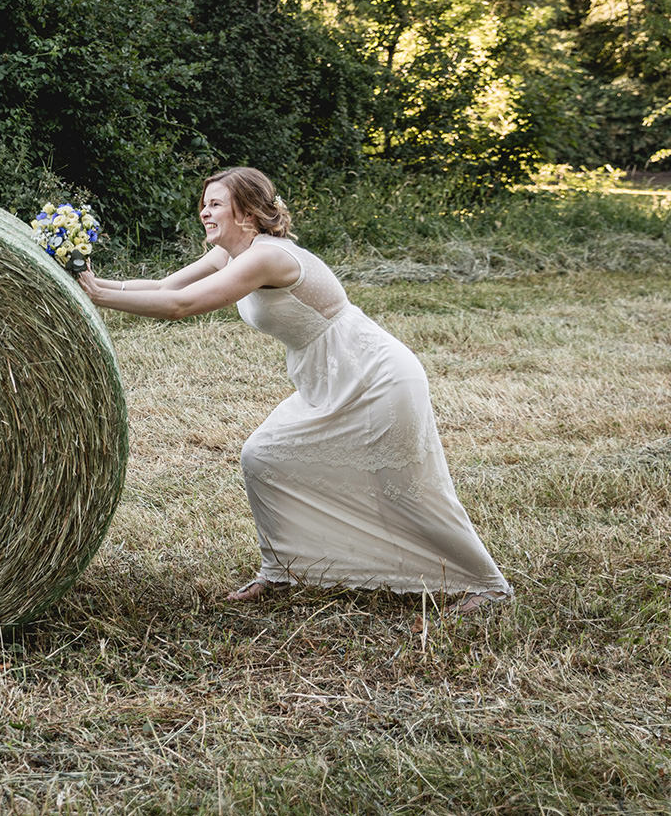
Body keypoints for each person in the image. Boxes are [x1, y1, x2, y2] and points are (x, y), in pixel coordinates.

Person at [80, 167, 510, 613]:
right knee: (263, 457)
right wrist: (90, 283)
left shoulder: (268, 257)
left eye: (215, 204)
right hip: (325, 376)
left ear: (246, 211)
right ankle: (283, 569)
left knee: (404, 486)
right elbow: (166, 286)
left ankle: (487, 584)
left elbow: (181, 306)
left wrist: (100, 297)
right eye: (203, 203)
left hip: (375, 375)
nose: (204, 212)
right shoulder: (231, 253)